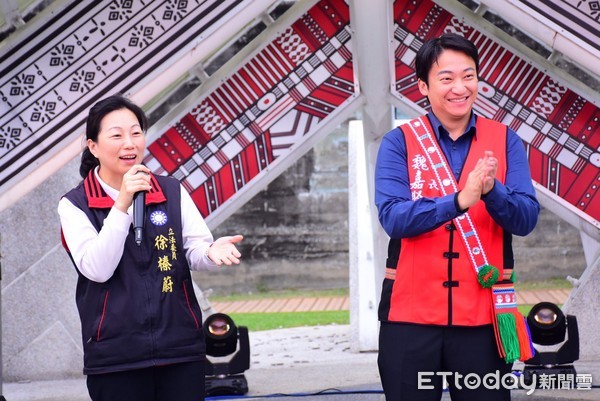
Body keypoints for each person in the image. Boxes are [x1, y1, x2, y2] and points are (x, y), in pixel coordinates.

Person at [374, 33, 540, 401]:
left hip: (485, 320)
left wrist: (492, 191)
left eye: (469, 76)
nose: (460, 88)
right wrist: (459, 200)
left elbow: (526, 219)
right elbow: (394, 217)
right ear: (423, 86)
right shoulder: (399, 141)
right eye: (446, 78)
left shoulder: (505, 139)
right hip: (409, 318)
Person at [58, 95, 243, 401]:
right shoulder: (75, 205)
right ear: (93, 146)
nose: (129, 143)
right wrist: (122, 204)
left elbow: (194, 249)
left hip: (180, 350)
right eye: (116, 135)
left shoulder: (170, 189)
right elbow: (97, 269)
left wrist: (210, 253)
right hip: (116, 357)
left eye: (136, 132)